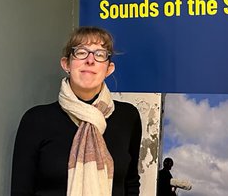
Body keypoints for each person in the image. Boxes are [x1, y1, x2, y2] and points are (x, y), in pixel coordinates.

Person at [11, 26, 142, 196]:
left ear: (109, 69)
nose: (90, 60)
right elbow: (21, 190)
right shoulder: (36, 120)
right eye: (81, 52)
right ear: (66, 64)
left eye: (100, 54)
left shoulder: (127, 117)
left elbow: (130, 183)